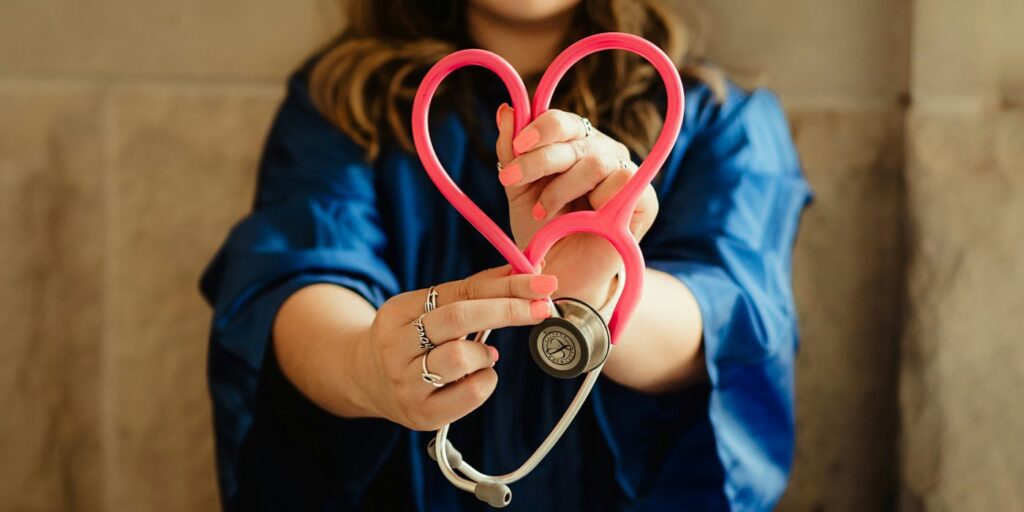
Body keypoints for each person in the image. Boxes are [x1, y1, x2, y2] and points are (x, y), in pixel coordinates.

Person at [200, 0, 812, 510]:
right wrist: (365, 366)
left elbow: (730, 315)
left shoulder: (719, 118)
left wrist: (595, 296)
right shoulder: (341, 101)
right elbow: (292, 275)